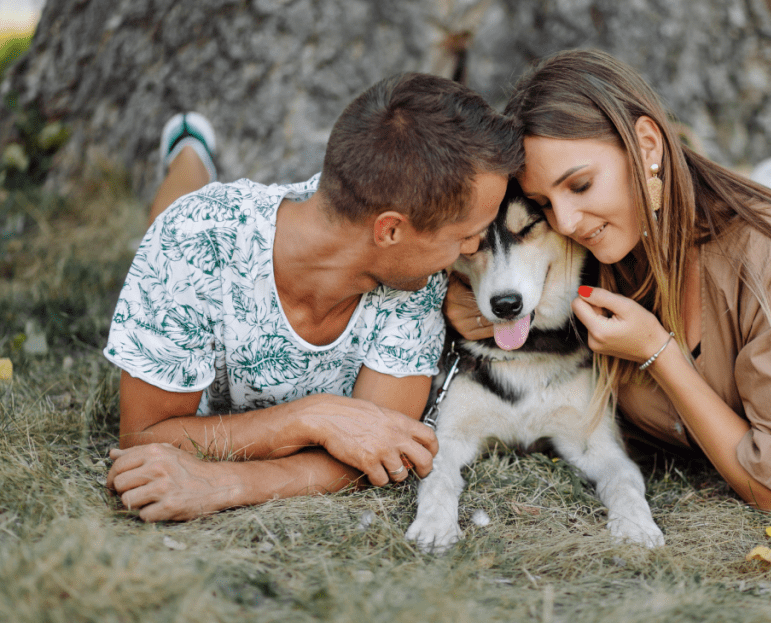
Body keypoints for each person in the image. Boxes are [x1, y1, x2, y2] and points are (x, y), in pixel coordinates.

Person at [446, 50, 771, 517]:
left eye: (580, 185)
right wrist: (462, 301)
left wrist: (659, 353)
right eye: (544, 204)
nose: (567, 220)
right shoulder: (590, 247)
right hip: (719, 235)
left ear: (646, 145)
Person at [104, 73, 518, 522]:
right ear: (391, 230)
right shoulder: (193, 241)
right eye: (468, 235)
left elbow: (377, 451)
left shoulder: (414, 280)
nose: (473, 250)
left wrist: (225, 483)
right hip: (201, 227)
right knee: (172, 216)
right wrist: (311, 417)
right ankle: (189, 153)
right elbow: (144, 438)